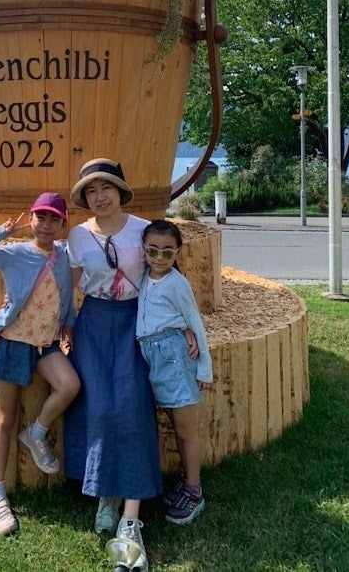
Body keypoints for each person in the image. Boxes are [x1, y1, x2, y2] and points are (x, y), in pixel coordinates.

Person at [65, 158, 197, 572]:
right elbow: (69, 287)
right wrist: (61, 325)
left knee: (133, 408)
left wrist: (185, 326)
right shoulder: (77, 235)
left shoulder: (143, 230)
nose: (99, 196)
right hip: (93, 325)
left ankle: (130, 520)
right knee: (100, 409)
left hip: (136, 325)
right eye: (90, 190)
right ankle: (106, 491)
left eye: (106, 187)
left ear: (120, 191)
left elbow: (167, 275)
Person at [0, 192, 80, 537]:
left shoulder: (63, 255)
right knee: (5, 416)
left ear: (63, 224)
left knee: (70, 385)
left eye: (54, 219)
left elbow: (66, 295)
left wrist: (68, 323)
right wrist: (2, 232)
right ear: (31, 219)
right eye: (41, 217)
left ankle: (37, 433)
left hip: (46, 345)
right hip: (13, 343)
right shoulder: (15, 254)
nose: (46, 225)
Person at [137, 219, 213, 526]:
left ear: (177, 252)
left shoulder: (177, 283)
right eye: (152, 250)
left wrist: (204, 368)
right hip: (152, 355)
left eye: (167, 252)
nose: (159, 258)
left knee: (184, 429)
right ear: (143, 249)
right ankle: (186, 481)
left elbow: (194, 321)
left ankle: (194, 492)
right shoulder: (143, 276)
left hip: (173, 357)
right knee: (172, 420)